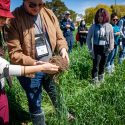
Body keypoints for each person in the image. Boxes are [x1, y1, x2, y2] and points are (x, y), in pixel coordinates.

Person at [6, 0, 69, 125]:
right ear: (24, 1)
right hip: (31, 70)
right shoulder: (13, 19)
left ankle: (64, 115)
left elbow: (59, 36)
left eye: (40, 4)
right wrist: (38, 65)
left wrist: (62, 49)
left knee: (54, 92)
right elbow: (15, 54)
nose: (37, 8)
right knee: (35, 101)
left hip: (51, 65)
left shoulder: (49, 13)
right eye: (32, 4)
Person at [86, 8, 114, 83]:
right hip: (96, 48)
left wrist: (110, 49)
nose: (100, 17)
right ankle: (95, 82)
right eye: (98, 16)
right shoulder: (93, 26)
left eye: (102, 16)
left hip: (106, 48)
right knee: (96, 66)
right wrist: (90, 50)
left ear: (105, 16)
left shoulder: (109, 26)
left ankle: (101, 79)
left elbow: (111, 39)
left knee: (103, 65)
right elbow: (88, 39)